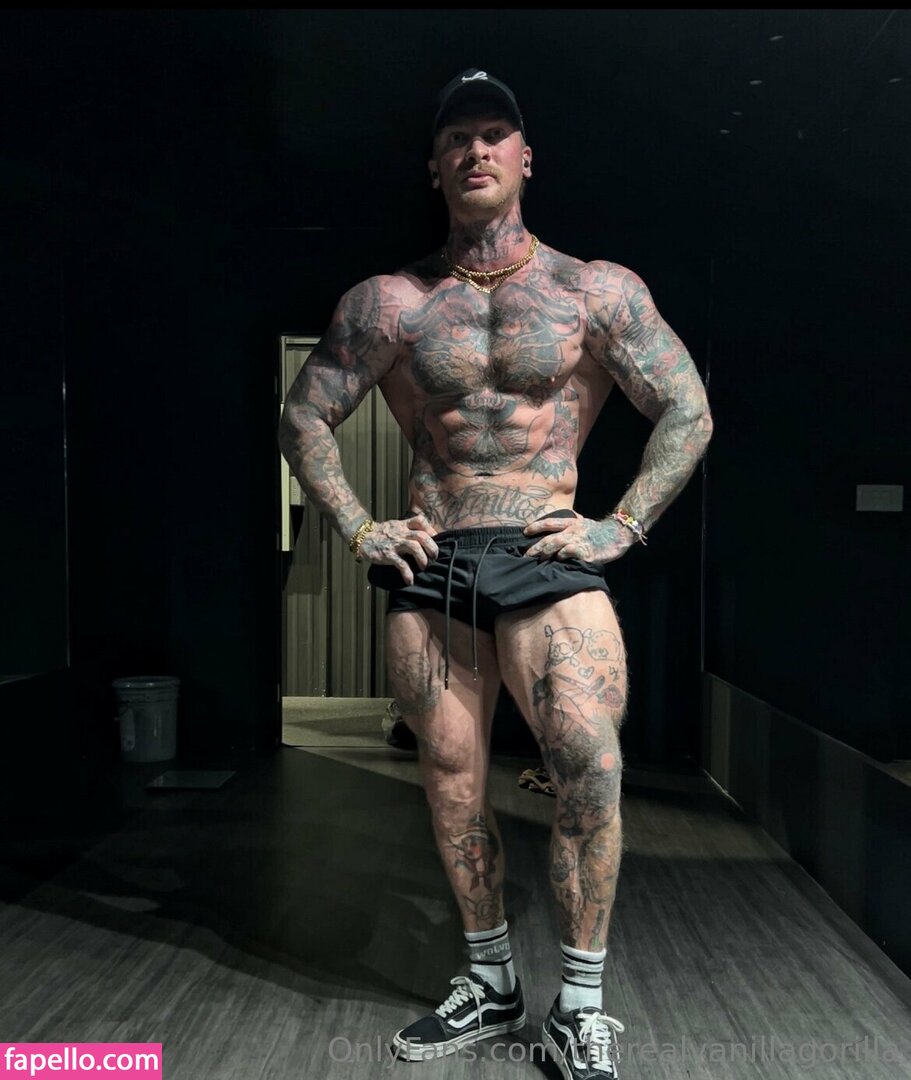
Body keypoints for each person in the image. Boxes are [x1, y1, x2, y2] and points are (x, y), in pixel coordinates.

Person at [278, 67, 713, 1080]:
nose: (475, 150)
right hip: (434, 559)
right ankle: (490, 982)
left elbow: (686, 408)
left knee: (589, 766)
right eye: (456, 139)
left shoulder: (593, 291)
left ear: (524, 157)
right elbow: (304, 415)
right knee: (449, 777)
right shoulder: (388, 303)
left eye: (493, 135)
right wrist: (356, 527)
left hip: (544, 555)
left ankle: (580, 1007)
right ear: (433, 167)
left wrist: (621, 526)